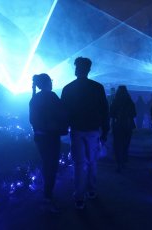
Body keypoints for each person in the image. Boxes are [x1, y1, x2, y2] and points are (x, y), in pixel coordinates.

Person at [61, 57, 109, 209]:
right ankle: (91, 190)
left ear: (77, 69)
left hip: (77, 130)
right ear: (88, 70)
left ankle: (79, 197)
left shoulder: (68, 88)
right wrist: (105, 131)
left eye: (76, 67)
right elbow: (104, 111)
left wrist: (64, 128)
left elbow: (64, 112)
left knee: (79, 164)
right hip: (93, 130)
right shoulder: (98, 87)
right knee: (92, 161)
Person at [29, 73, 67, 212]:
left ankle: (47, 195)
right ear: (47, 83)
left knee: (46, 164)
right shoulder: (52, 97)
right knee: (52, 166)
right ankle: (48, 197)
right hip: (51, 137)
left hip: (40, 138)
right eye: (50, 81)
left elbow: (32, 120)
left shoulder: (34, 99)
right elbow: (62, 113)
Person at [110, 86, 136, 172]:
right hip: (128, 126)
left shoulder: (115, 101)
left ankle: (119, 163)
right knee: (125, 144)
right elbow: (134, 113)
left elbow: (111, 113)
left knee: (117, 144)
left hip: (117, 125)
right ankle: (124, 160)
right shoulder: (129, 101)